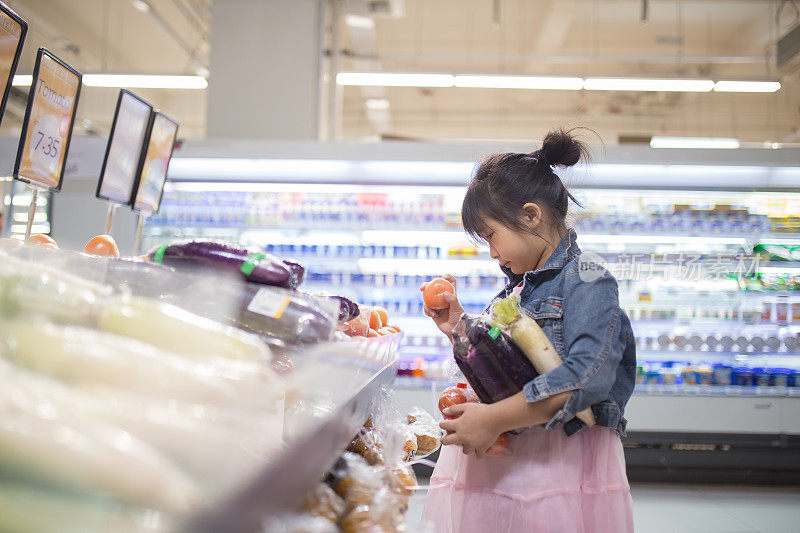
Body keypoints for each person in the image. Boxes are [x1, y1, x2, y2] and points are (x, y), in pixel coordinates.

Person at [420, 128, 636, 533]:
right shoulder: (519, 285)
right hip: (514, 458)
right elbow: (514, 367)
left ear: (531, 215)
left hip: (557, 463)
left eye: (491, 235)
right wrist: (460, 330)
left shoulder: (587, 279)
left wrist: (492, 420)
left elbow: (585, 378)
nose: (491, 251)